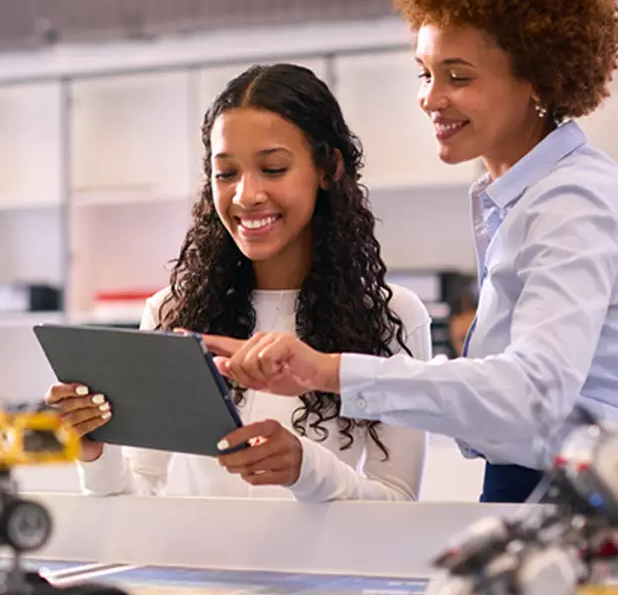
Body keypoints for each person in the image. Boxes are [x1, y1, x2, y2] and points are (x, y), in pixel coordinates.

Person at [197, 0, 618, 507]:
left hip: (603, 498)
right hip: (545, 487)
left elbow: (533, 394)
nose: (430, 99)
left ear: (538, 79)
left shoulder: (574, 201)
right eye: (425, 73)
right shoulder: (518, 196)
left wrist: (328, 371)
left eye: (458, 77)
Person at [46, 63, 431, 502]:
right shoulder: (172, 313)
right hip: (206, 568)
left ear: (328, 168)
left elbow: (398, 503)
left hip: (329, 571)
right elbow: (135, 499)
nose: (246, 195)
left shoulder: (391, 316)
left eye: (273, 169)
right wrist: (95, 452)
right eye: (226, 174)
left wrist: (307, 469)